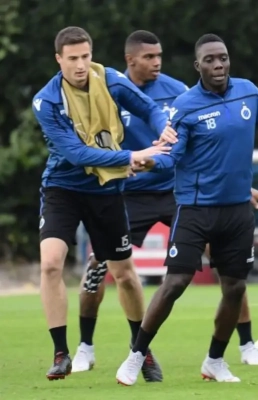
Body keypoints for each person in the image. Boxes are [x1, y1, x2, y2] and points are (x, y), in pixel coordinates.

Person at [115, 33, 258, 385]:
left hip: (237, 212)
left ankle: (215, 360)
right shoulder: (185, 105)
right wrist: (150, 163)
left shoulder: (248, 92)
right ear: (197, 66)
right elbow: (173, 156)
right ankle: (136, 355)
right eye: (210, 60)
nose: (218, 65)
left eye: (223, 58)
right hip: (195, 209)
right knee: (175, 283)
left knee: (235, 288)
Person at [72, 30, 258, 378]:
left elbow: (209, 140)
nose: (157, 62)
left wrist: (241, 185)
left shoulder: (178, 91)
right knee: (97, 264)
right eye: (149, 57)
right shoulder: (113, 92)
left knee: (228, 265)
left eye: (160, 55)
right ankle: (85, 346)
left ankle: (246, 343)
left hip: (176, 191)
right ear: (130, 60)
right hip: (129, 193)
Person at [32, 26, 174, 380]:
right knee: (50, 264)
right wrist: (131, 156)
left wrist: (164, 129)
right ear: (59, 60)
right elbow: (77, 153)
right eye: (73, 58)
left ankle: (141, 350)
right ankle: (61, 353)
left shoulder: (110, 80)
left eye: (85, 56)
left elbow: (148, 108)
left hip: (105, 189)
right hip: (63, 188)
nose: (81, 65)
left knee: (124, 274)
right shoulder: (46, 101)